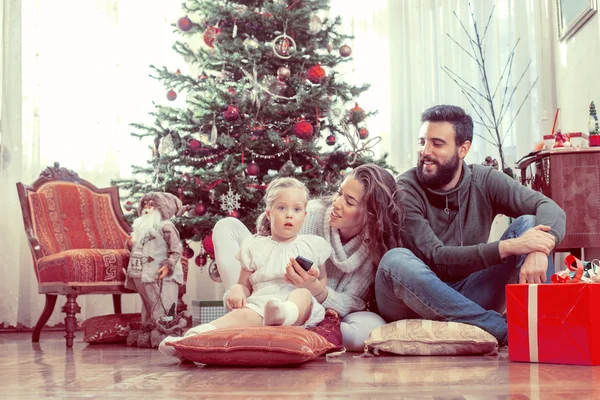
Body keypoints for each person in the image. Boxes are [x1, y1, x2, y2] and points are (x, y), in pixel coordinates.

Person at [375, 105, 566, 346]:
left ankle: (541, 329)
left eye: (437, 143)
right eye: (422, 141)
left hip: (470, 291)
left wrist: (539, 249)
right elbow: (437, 259)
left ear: (463, 148)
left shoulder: (483, 180)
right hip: (412, 299)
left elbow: (550, 208)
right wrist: (507, 247)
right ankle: (504, 329)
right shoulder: (405, 188)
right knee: (395, 261)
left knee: (529, 224)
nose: (425, 151)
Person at [210, 163, 405, 352]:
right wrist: (241, 288)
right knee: (226, 227)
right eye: (339, 193)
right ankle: (247, 312)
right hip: (264, 293)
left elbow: (353, 302)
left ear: (371, 215)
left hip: (312, 309)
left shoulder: (375, 249)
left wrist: (315, 288)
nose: (336, 203)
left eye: (349, 202)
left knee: (370, 330)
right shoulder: (308, 213)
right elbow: (268, 250)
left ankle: (263, 328)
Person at [159, 177, 331, 358]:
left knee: (302, 294)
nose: (289, 214)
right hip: (262, 305)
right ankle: (188, 340)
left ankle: (283, 314)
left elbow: (322, 285)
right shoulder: (254, 245)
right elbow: (243, 284)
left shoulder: (313, 245)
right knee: (237, 317)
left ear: (304, 216)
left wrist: (313, 277)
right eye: (282, 208)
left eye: (296, 209)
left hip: (298, 310)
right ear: (268, 213)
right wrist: (237, 290)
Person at [125, 192, 187, 348]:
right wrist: (130, 244)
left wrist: (168, 265)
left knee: (163, 305)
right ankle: (147, 333)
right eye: (145, 204)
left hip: (160, 274)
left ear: (162, 208)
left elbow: (176, 250)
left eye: (152, 205)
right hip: (141, 274)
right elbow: (137, 248)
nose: (147, 208)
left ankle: (163, 337)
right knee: (148, 306)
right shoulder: (140, 228)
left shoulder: (165, 226)